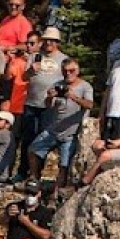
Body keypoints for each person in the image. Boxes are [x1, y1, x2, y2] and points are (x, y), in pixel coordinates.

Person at [27, 58, 93, 185]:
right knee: (33, 149)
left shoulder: (85, 87)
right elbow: (48, 105)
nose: (68, 74)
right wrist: (50, 97)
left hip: (71, 133)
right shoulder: (57, 85)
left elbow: (89, 105)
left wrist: (74, 97)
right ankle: (34, 178)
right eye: (65, 71)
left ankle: (58, 188)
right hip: (54, 129)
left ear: (77, 71)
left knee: (64, 164)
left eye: (71, 70)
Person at [18, 26, 68, 169]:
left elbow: (68, 80)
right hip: (31, 103)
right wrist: (31, 70)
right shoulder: (35, 56)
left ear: (57, 42)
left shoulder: (63, 59)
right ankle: (23, 170)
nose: (48, 43)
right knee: (28, 137)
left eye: (52, 40)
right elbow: (24, 77)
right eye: (46, 40)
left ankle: (38, 171)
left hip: (50, 106)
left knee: (43, 138)